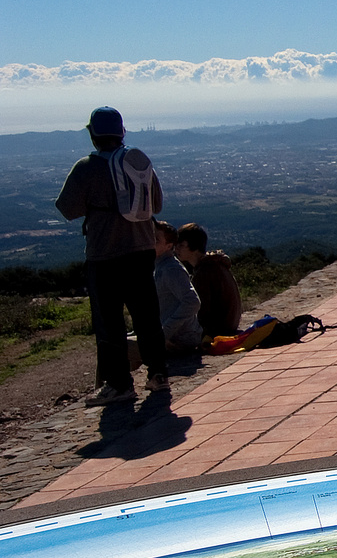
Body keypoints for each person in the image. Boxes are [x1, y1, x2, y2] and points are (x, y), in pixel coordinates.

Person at [55, 106, 169, 405]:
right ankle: (159, 374)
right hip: (143, 250)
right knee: (147, 316)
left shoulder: (86, 168)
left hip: (104, 255)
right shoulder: (141, 165)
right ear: (122, 133)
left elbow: (67, 209)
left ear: (93, 134)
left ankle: (119, 384)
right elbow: (156, 205)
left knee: (109, 323)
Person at [176, 222, 243, 338]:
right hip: (228, 325)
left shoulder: (205, 272)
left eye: (181, 245)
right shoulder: (214, 265)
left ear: (194, 247)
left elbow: (201, 309)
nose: (176, 249)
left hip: (218, 329)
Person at [150, 221, 203, 353]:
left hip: (181, 337)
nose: (150, 241)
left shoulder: (171, 269)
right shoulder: (158, 267)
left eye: (156, 239)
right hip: (174, 335)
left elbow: (193, 302)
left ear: (168, 246)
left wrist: (166, 331)